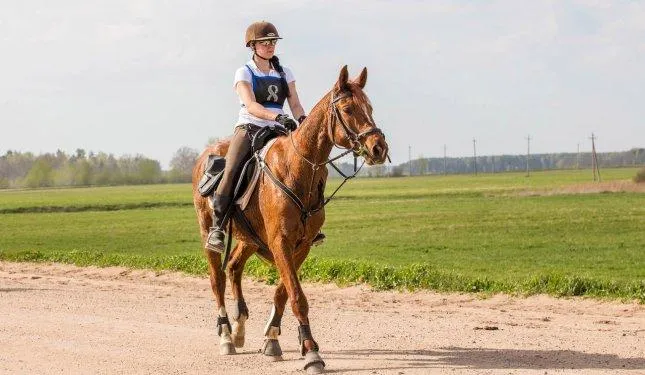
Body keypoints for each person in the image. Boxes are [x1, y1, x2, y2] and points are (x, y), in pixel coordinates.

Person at [206, 21, 325, 252]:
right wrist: (276, 117)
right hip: (250, 128)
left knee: (311, 166)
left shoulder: (284, 72)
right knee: (231, 170)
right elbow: (250, 105)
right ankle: (217, 228)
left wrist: (303, 121)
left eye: (273, 42)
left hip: (279, 129)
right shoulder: (244, 71)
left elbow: (296, 104)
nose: (270, 46)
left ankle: (310, 223)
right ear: (253, 45)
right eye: (265, 42)